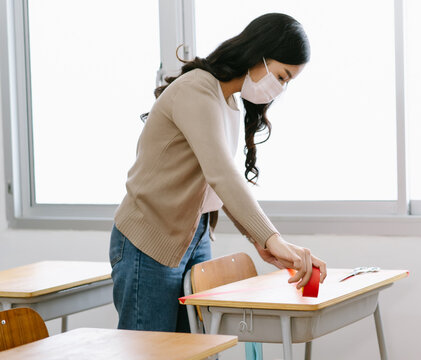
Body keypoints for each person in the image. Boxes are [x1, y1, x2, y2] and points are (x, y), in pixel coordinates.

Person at [109, 13, 326, 332]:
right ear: (259, 55)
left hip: (193, 236)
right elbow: (222, 174)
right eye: (281, 76)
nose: (279, 88)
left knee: (195, 350)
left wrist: (262, 242)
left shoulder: (229, 103)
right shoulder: (197, 89)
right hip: (149, 237)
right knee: (151, 353)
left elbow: (217, 185)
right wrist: (271, 237)